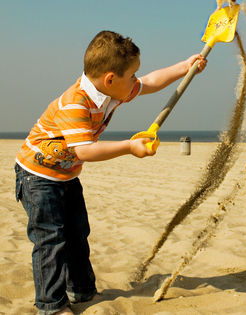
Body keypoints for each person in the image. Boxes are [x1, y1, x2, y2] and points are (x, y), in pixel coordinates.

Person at [14, 30, 207, 315]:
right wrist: (129, 147)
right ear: (110, 79)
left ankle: (82, 291)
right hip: (37, 177)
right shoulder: (75, 103)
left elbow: (151, 82)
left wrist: (185, 66)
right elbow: (86, 152)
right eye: (131, 76)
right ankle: (51, 305)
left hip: (65, 176)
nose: (135, 82)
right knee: (51, 239)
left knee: (78, 234)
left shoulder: (112, 91)